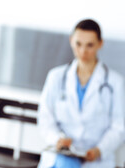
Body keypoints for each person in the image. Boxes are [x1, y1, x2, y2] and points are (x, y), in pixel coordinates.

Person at [37, 19, 125, 168]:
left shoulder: (115, 82)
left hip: (96, 159)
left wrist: (99, 150)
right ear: (71, 41)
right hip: (62, 155)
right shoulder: (56, 77)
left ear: (100, 44)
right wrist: (57, 139)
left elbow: (118, 127)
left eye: (90, 45)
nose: (83, 51)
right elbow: (45, 118)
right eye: (78, 44)